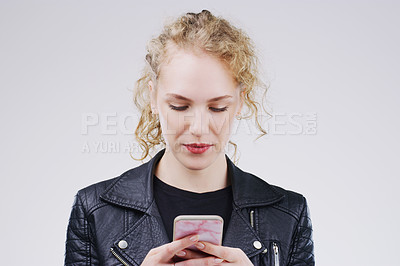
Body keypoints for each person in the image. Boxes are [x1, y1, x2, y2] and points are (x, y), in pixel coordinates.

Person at [65, 9, 315, 266]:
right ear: (153, 98)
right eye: (179, 106)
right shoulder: (94, 210)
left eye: (217, 108)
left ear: (241, 101)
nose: (198, 127)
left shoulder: (289, 214)